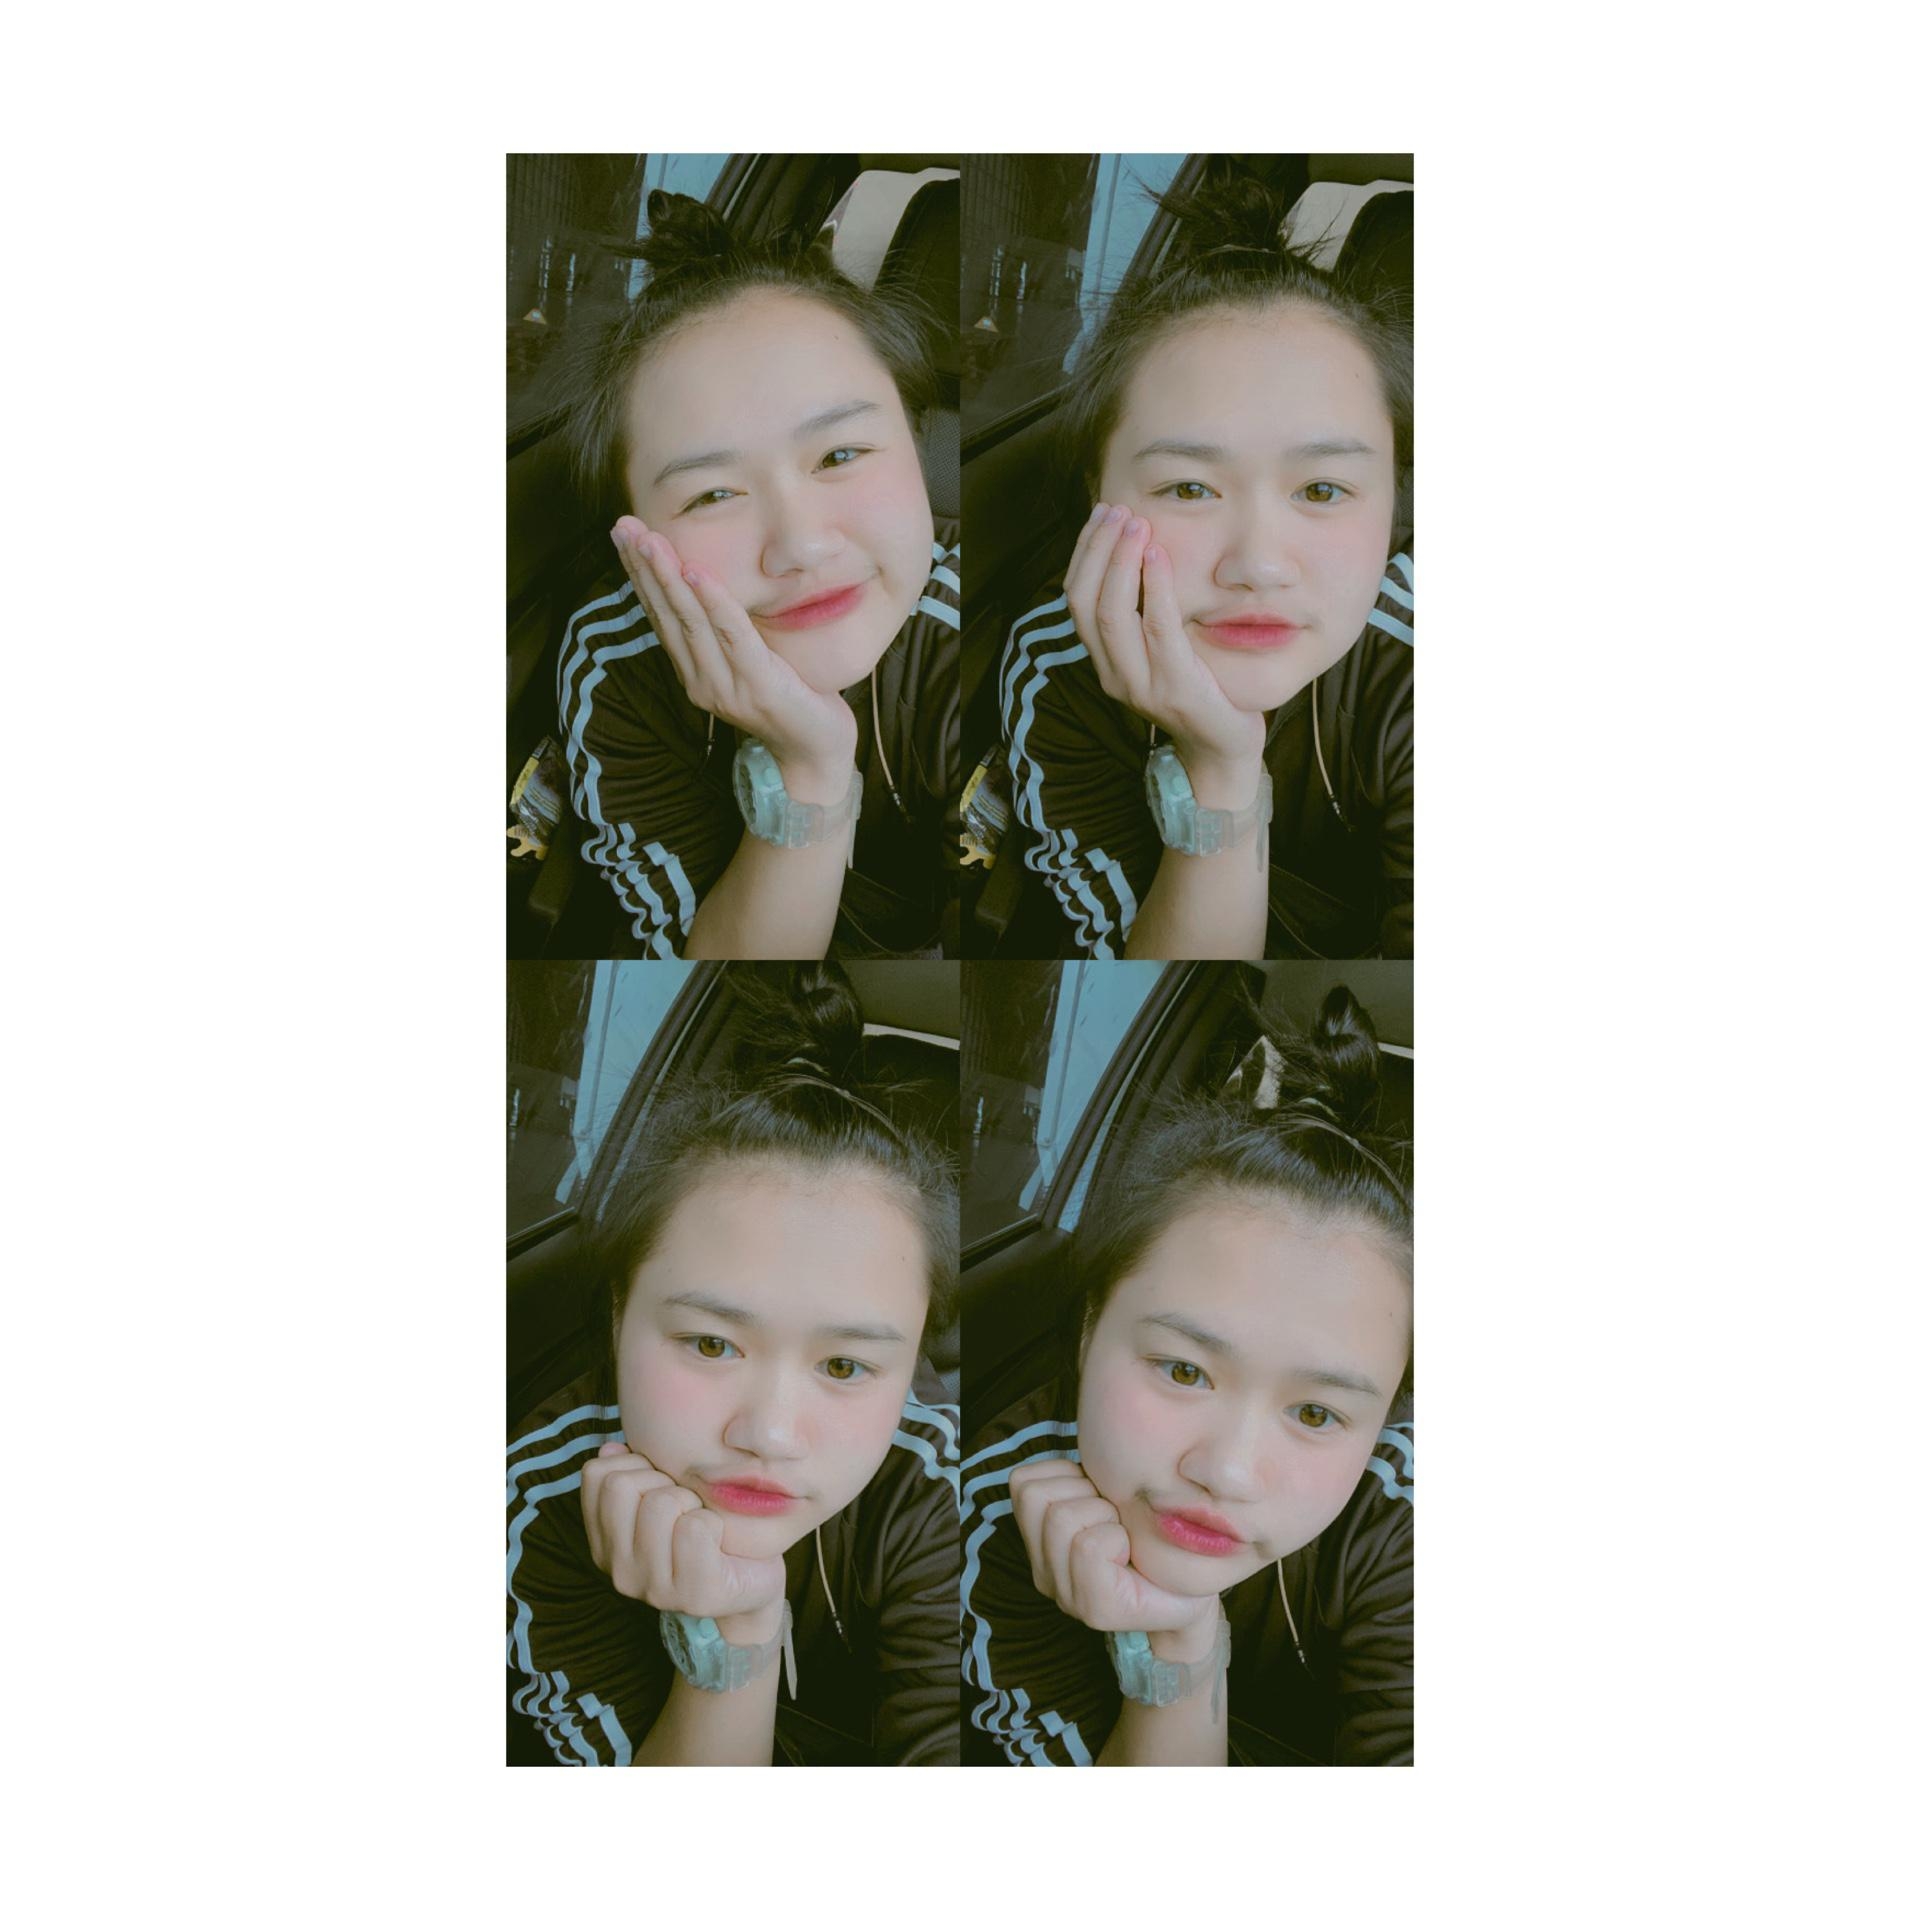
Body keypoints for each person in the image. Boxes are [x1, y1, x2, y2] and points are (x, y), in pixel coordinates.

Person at [508, 965, 961, 1764]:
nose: (771, 1435)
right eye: (712, 1345)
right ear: (619, 1315)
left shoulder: (937, 1487)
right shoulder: (537, 1503)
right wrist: (732, 1641)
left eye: (845, 1366)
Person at [959, 985, 1412, 1765]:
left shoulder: (1406, 1518)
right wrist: (1176, 1650)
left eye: (1314, 1414)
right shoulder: (1003, 1507)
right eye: (1183, 1370)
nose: (1227, 1471)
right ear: (1089, 1330)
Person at [999, 171, 1413, 960]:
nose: (1258, 565)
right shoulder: (1058, 665)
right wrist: (1219, 772)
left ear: (1396, 503)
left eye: (1322, 489)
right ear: (1097, 494)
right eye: (1189, 488)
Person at [555, 190, 960, 959]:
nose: (800, 546)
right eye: (713, 495)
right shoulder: (617, 664)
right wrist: (809, 770)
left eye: (839, 455)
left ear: (918, 443)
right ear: (633, 529)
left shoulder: (968, 640)